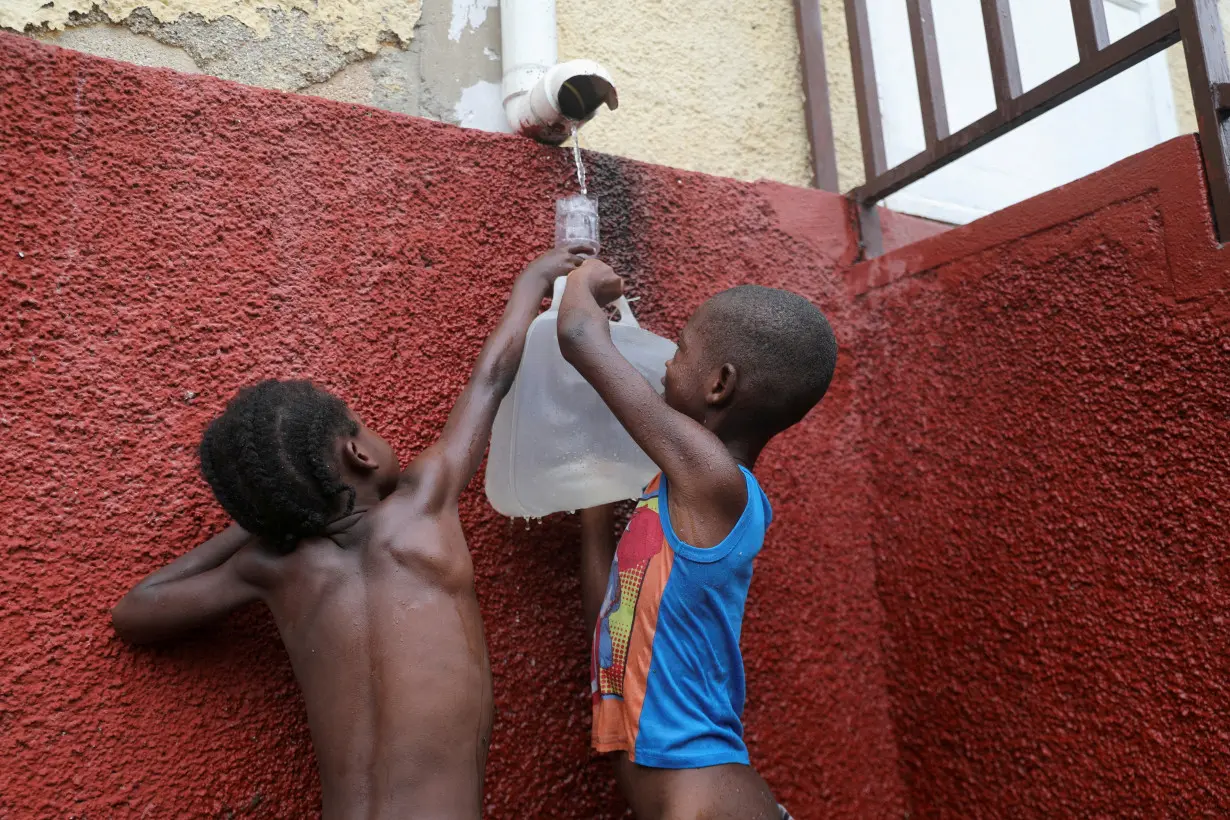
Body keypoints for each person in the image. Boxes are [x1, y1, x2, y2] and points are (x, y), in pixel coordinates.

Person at [110, 245, 592, 820]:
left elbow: (136, 610)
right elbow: (491, 378)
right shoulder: (423, 503)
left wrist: (266, 521)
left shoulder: (268, 568)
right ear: (359, 452)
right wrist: (532, 279)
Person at [558, 259, 838, 820]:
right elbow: (611, 626)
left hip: (708, 797)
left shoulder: (716, 480)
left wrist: (585, 277)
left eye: (681, 349)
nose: (667, 362)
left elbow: (578, 335)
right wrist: (592, 513)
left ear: (720, 384)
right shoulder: (677, 496)